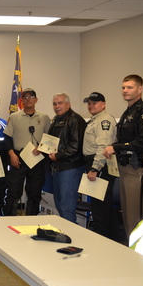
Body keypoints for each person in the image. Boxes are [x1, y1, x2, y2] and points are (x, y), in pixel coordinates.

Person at [103, 75, 143, 238]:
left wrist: (115, 147)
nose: (125, 91)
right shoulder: (129, 111)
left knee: (136, 214)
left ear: (140, 89)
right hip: (125, 167)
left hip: (138, 169)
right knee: (127, 213)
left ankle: (138, 247)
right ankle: (130, 244)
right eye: (123, 87)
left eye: (130, 87)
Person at [2, 88, 51, 216]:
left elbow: (50, 138)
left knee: (34, 192)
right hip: (18, 158)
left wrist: (41, 147)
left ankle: (32, 219)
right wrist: (11, 154)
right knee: (13, 191)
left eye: (31, 97)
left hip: (37, 158)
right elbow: (6, 138)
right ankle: (9, 219)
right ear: (21, 100)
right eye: (25, 97)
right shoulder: (14, 117)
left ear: (36, 100)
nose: (28, 100)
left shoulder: (44, 118)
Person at [82, 92, 120, 241]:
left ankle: (101, 239)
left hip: (100, 165)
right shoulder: (95, 120)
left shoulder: (104, 121)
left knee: (100, 206)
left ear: (103, 105)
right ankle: (113, 238)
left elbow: (103, 147)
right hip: (94, 163)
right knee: (104, 205)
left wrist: (95, 168)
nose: (91, 106)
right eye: (89, 103)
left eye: (94, 103)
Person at [46, 93, 86, 223]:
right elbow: (51, 141)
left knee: (67, 205)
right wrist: (42, 148)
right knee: (59, 202)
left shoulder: (75, 120)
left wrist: (57, 156)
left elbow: (75, 146)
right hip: (58, 167)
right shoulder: (56, 120)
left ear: (68, 104)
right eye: (54, 104)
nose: (57, 106)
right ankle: (65, 230)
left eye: (60, 103)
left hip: (70, 168)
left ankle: (70, 233)